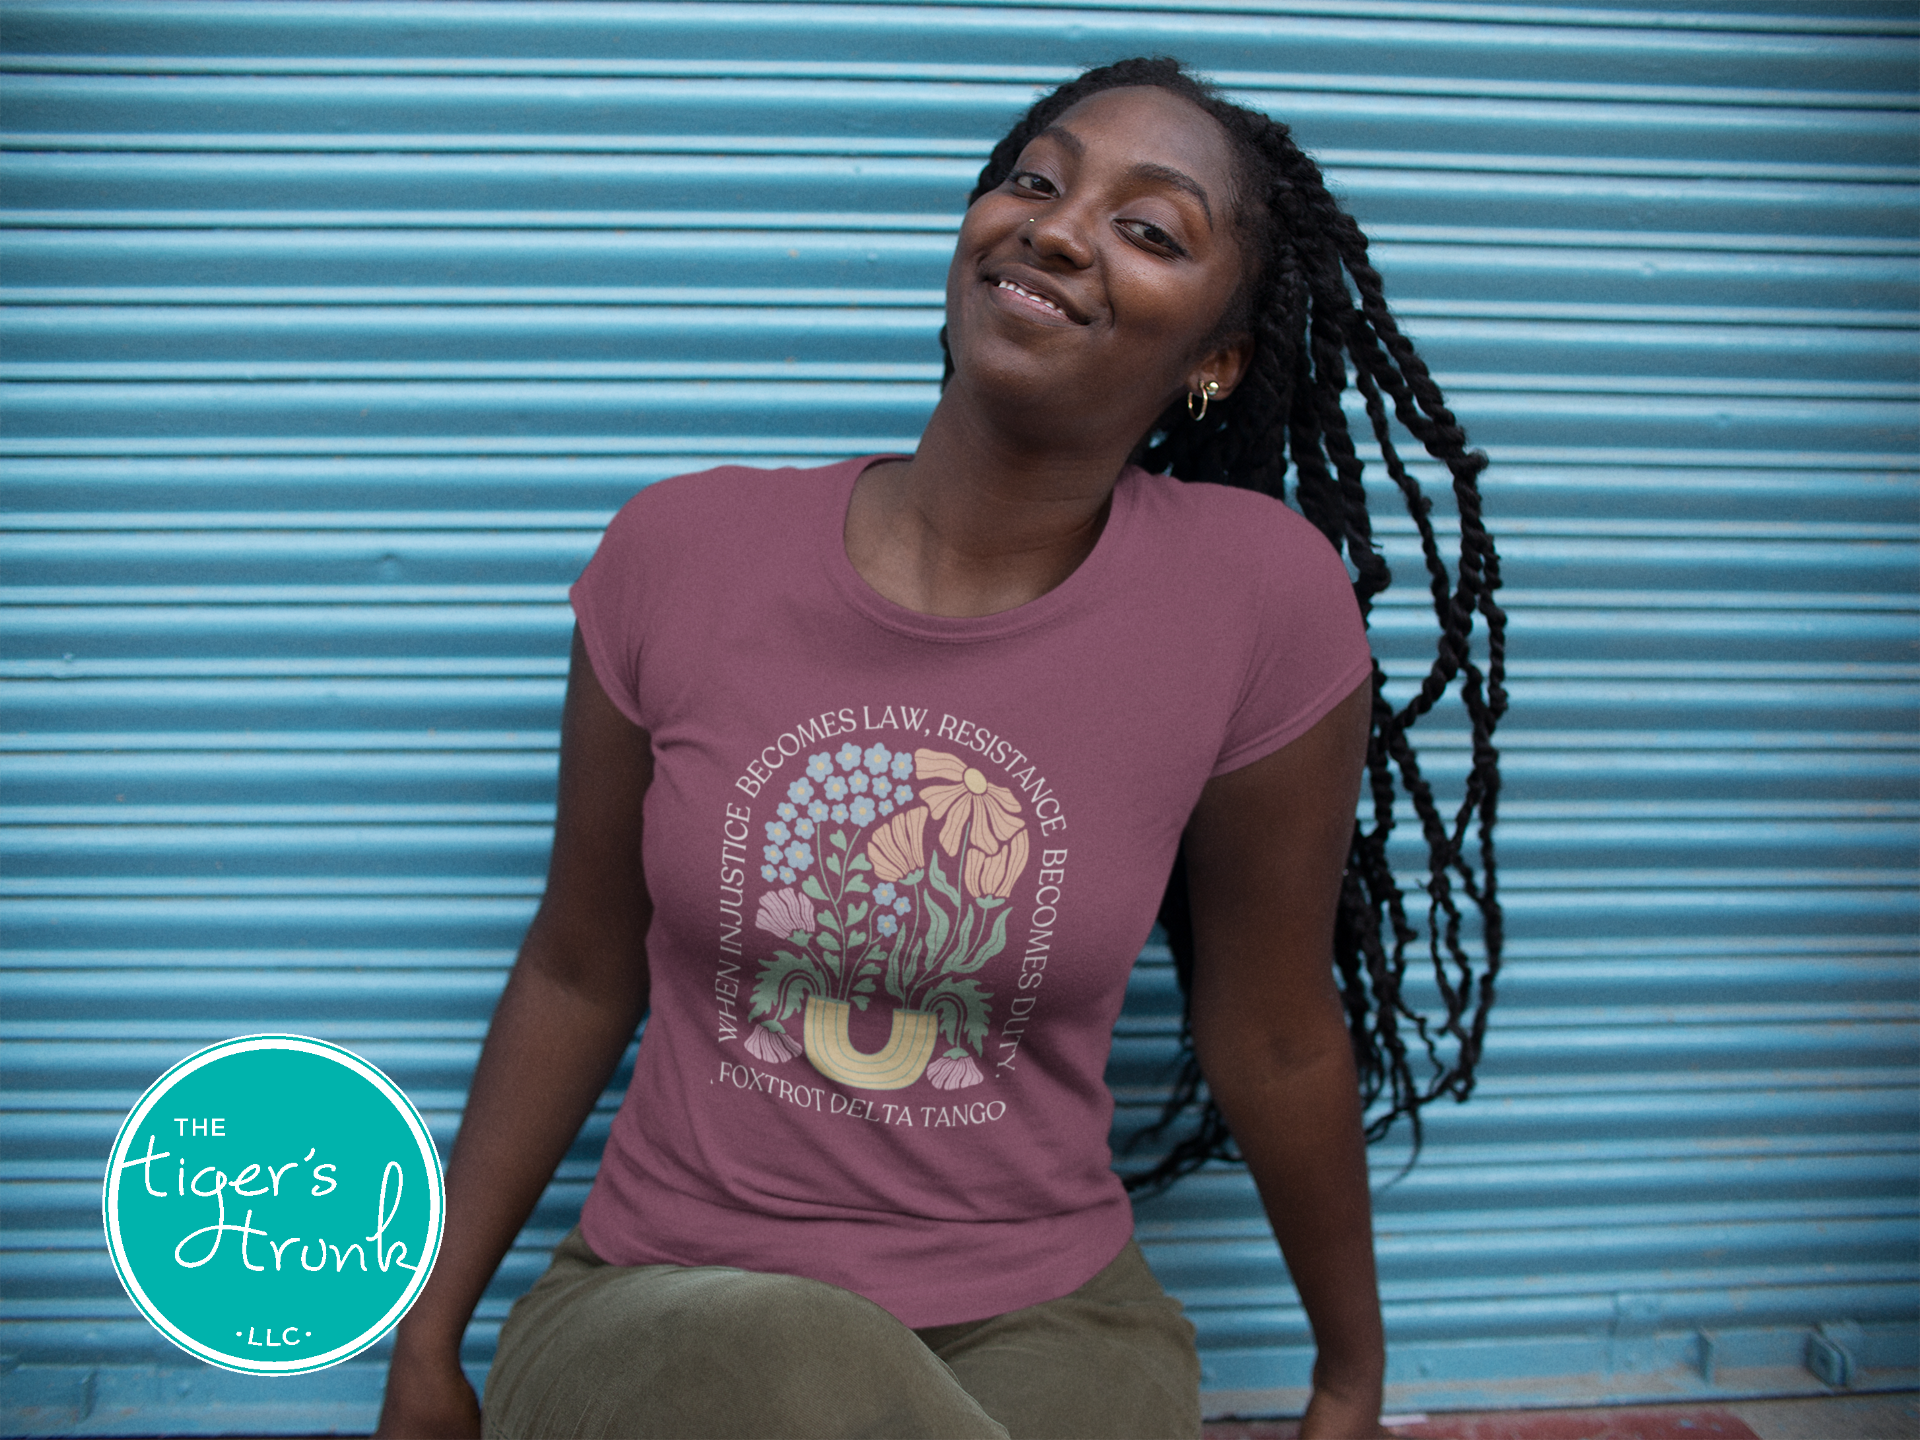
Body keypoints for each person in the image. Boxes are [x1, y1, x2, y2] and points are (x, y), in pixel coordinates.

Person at [374, 56, 1503, 1440]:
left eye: (1149, 230)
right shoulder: (684, 552)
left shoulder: (1254, 603)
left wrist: (1349, 1376)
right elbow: (574, 963)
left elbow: (1270, 1029)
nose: (1060, 227)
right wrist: (429, 1339)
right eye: (1034, 180)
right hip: (670, 1301)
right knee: (793, 1361)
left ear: (1215, 358)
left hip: (1052, 1316)